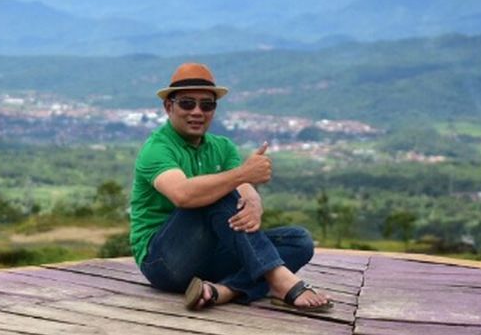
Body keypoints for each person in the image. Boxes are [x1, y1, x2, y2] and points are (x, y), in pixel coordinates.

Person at [129, 62, 333, 311]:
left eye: (207, 105)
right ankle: (278, 279)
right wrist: (242, 175)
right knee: (215, 192)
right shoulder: (157, 148)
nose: (197, 111)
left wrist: (254, 201)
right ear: (168, 106)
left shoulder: (223, 147)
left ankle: (224, 290)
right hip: (164, 261)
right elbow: (183, 195)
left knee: (298, 241)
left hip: (210, 259)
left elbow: (244, 190)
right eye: (186, 103)